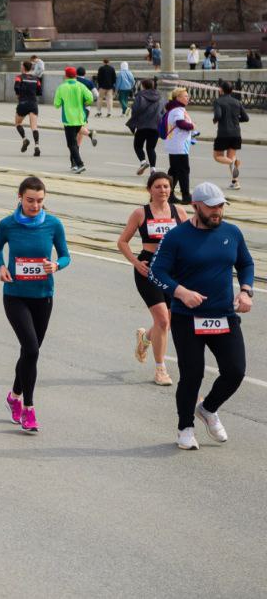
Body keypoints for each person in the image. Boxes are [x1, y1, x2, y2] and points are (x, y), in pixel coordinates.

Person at [149, 182, 253, 450]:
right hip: (187, 318)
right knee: (192, 374)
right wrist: (180, 292)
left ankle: (207, 409)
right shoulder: (176, 237)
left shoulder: (232, 232)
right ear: (196, 206)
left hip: (223, 314)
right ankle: (185, 427)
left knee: (235, 371)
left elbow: (245, 263)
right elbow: (156, 272)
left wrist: (245, 290)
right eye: (212, 206)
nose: (218, 211)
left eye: (220, 206)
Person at [0, 176, 70, 434]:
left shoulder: (53, 224)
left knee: (29, 352)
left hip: (43, 296)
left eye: (39, 201)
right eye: (30, 200)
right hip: (15, 295)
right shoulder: (7, 224)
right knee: (32, 349)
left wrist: (56, 265)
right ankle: (29, 408)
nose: (35, 206)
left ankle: (13, 395)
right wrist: (1, 266)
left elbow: (66, 255)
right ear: (20, 198)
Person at [117, 172, 186, 387]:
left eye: (166, 186)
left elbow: (190, 240)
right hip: (148, 269)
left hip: (173, 271)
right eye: (158, 186)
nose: (163, 190)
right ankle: (160, 369)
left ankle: (145, 338)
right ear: (150, 190)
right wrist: (136, 264)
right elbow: (122, 242)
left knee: (166, 322)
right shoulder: (140, 213)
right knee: (163, 321)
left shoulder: (179, 212)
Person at [53, 66, 94, 174]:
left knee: (71, 144)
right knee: (74, 143)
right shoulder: (81, 86)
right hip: (80, 117)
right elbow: (90, 98)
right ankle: (74, 165)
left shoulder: (62, 87)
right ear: (75, 75)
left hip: (69, 119)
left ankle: (79, 164)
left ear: (66, 75)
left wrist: (64, 102)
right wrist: (84, 102)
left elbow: (56, 104)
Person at [211, 81, 248, 190]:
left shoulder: (218, 101)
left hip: (223, 133)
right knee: (230, 157)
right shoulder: (237, 102)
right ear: (232, 90)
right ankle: (235, 182)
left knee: (217, 157)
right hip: (236, 133)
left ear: (221, 90)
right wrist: (235, 120)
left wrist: (215, 120)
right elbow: (246, 118)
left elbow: (218, 115)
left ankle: (233, 162)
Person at [163, 88, 195, 204]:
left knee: (174, 171)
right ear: (178, 98)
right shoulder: (177, 110)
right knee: (183, 170)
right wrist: (191, 126)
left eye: (187, 96)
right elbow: (180, 123)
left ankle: (169, 194)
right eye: (185, 96)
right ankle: (186, 195)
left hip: (176, 144)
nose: (188, 98)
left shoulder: (176, 109)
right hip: (179, 146)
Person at [126, 78, 164, 175]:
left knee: (138, 146)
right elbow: (163, 112)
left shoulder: (140, 96)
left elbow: (136, 110)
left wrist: (133, 121)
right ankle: (153, 169)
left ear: (143, 86)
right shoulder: (160, 97)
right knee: (151, 148)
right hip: (155, 126)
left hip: (142, 126)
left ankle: (143, 162)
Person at [13, 60, 42, 157]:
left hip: (23, 103)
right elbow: (39, 91)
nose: (21, 67)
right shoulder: (36, 79)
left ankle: (25, 139)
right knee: (34, 127)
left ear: (24, 67)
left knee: (18, 123)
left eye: (21, 66)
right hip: (33, 103)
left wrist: (19, 95)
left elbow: (16, 87)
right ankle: (37, 146)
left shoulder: (19, 77)